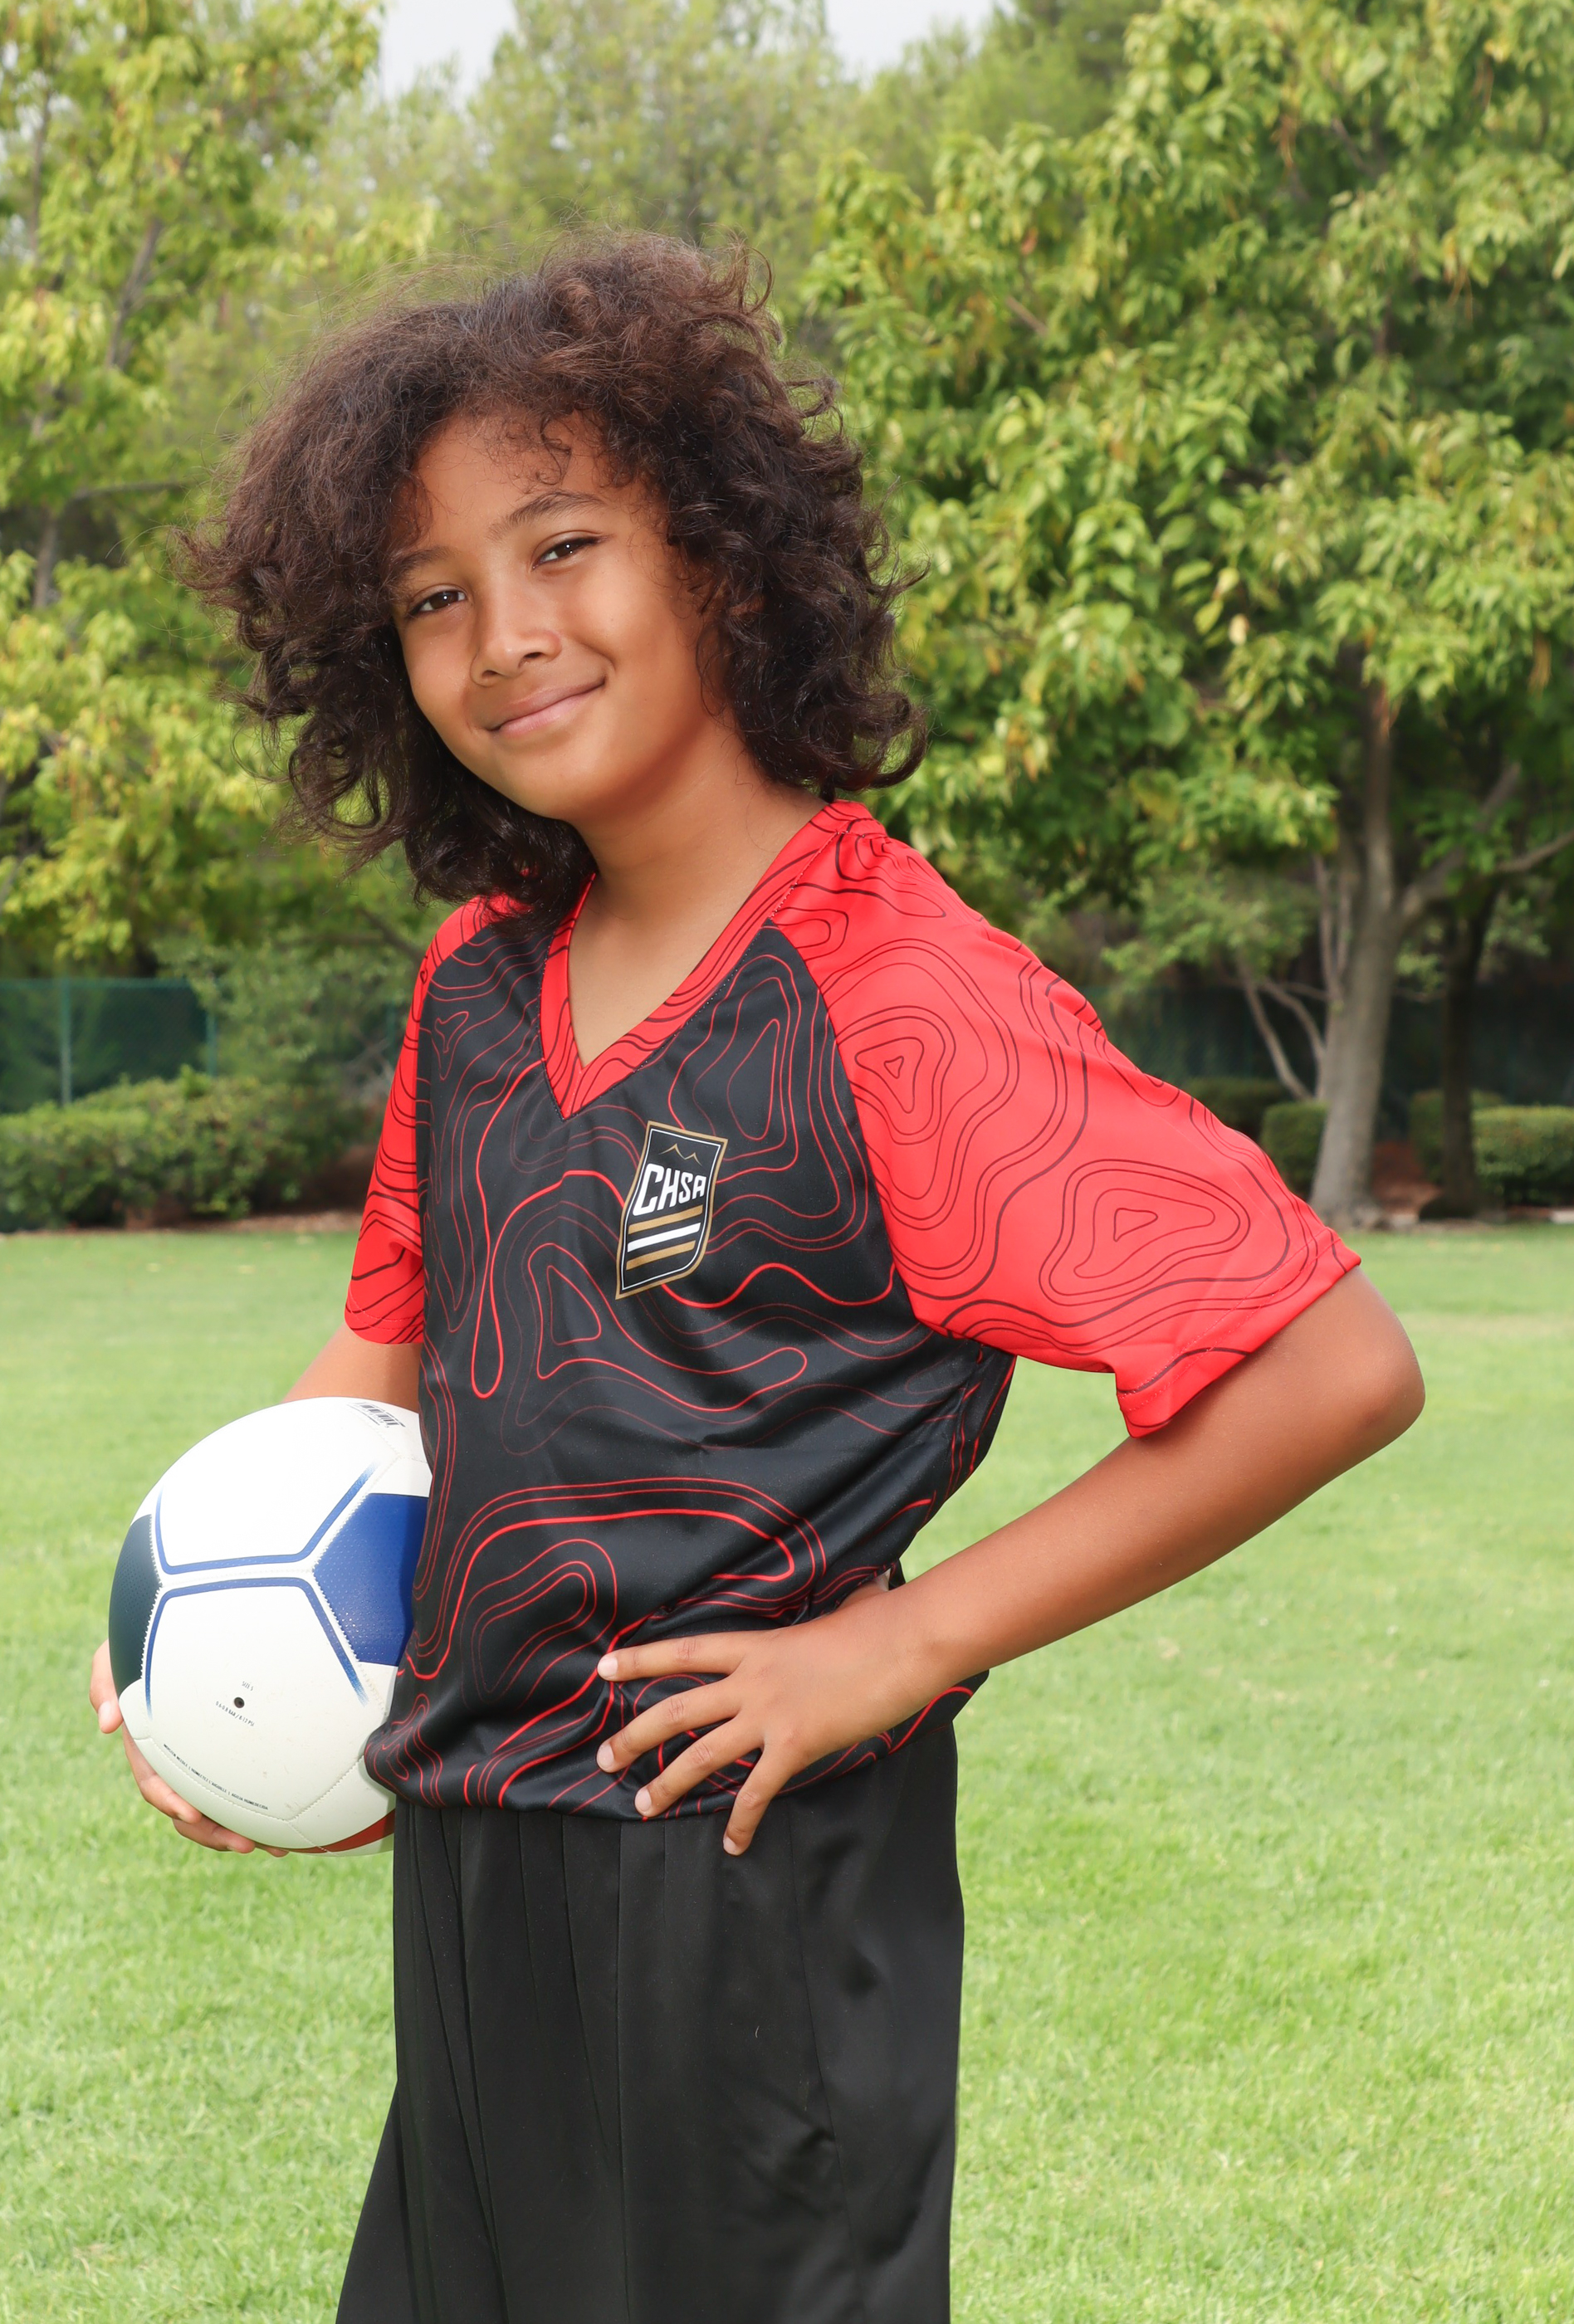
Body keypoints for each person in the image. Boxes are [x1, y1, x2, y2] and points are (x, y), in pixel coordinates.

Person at [89, 238, 1424, 2324]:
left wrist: (904, 1642)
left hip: (747, 1883)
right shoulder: (474, 991)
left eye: (562, 546)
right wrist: (215, 1646)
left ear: (718, 556)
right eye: (431, 596)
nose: (504, 636)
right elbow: (373, 1386)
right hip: (473, 1884)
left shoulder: (894, 996)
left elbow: (1328, 1363)